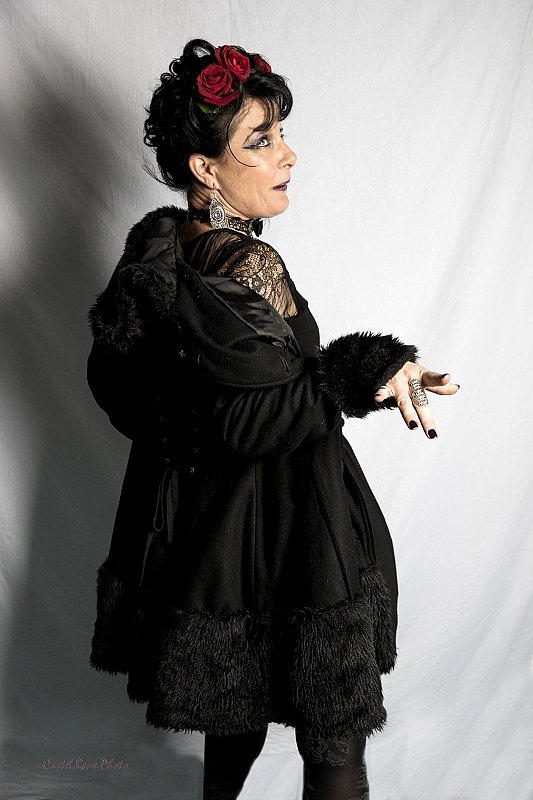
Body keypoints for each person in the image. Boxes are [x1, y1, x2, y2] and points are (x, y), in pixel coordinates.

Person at [87, 39, 459, 800]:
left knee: (238, 716)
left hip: (219, 537)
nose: (287, 155)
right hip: (292, 531)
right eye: (259, 141)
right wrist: (361, 371)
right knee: (335, 739)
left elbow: (164, 394)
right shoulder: (250, 263)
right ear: (205, 168)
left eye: (281, 133)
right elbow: (254, 419)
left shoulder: (167, 253)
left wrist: (370, 378)